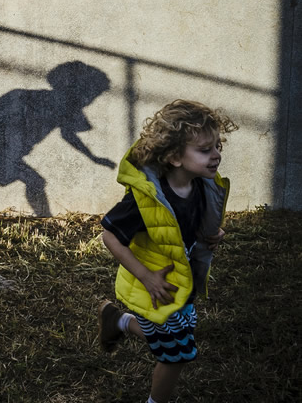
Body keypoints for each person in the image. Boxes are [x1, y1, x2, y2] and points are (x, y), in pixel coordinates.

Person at [96, 100, 238, 403]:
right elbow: (110, 236)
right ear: (174, 157)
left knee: (173, 337)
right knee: (177, 355)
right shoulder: (147, 199)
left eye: (216, 147)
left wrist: (213, 234)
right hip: (153, 288)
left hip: (179, 285)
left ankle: (118, 321)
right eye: (204, 150)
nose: (216, 156)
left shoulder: (201, 185)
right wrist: (146, 276)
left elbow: (189, 226)